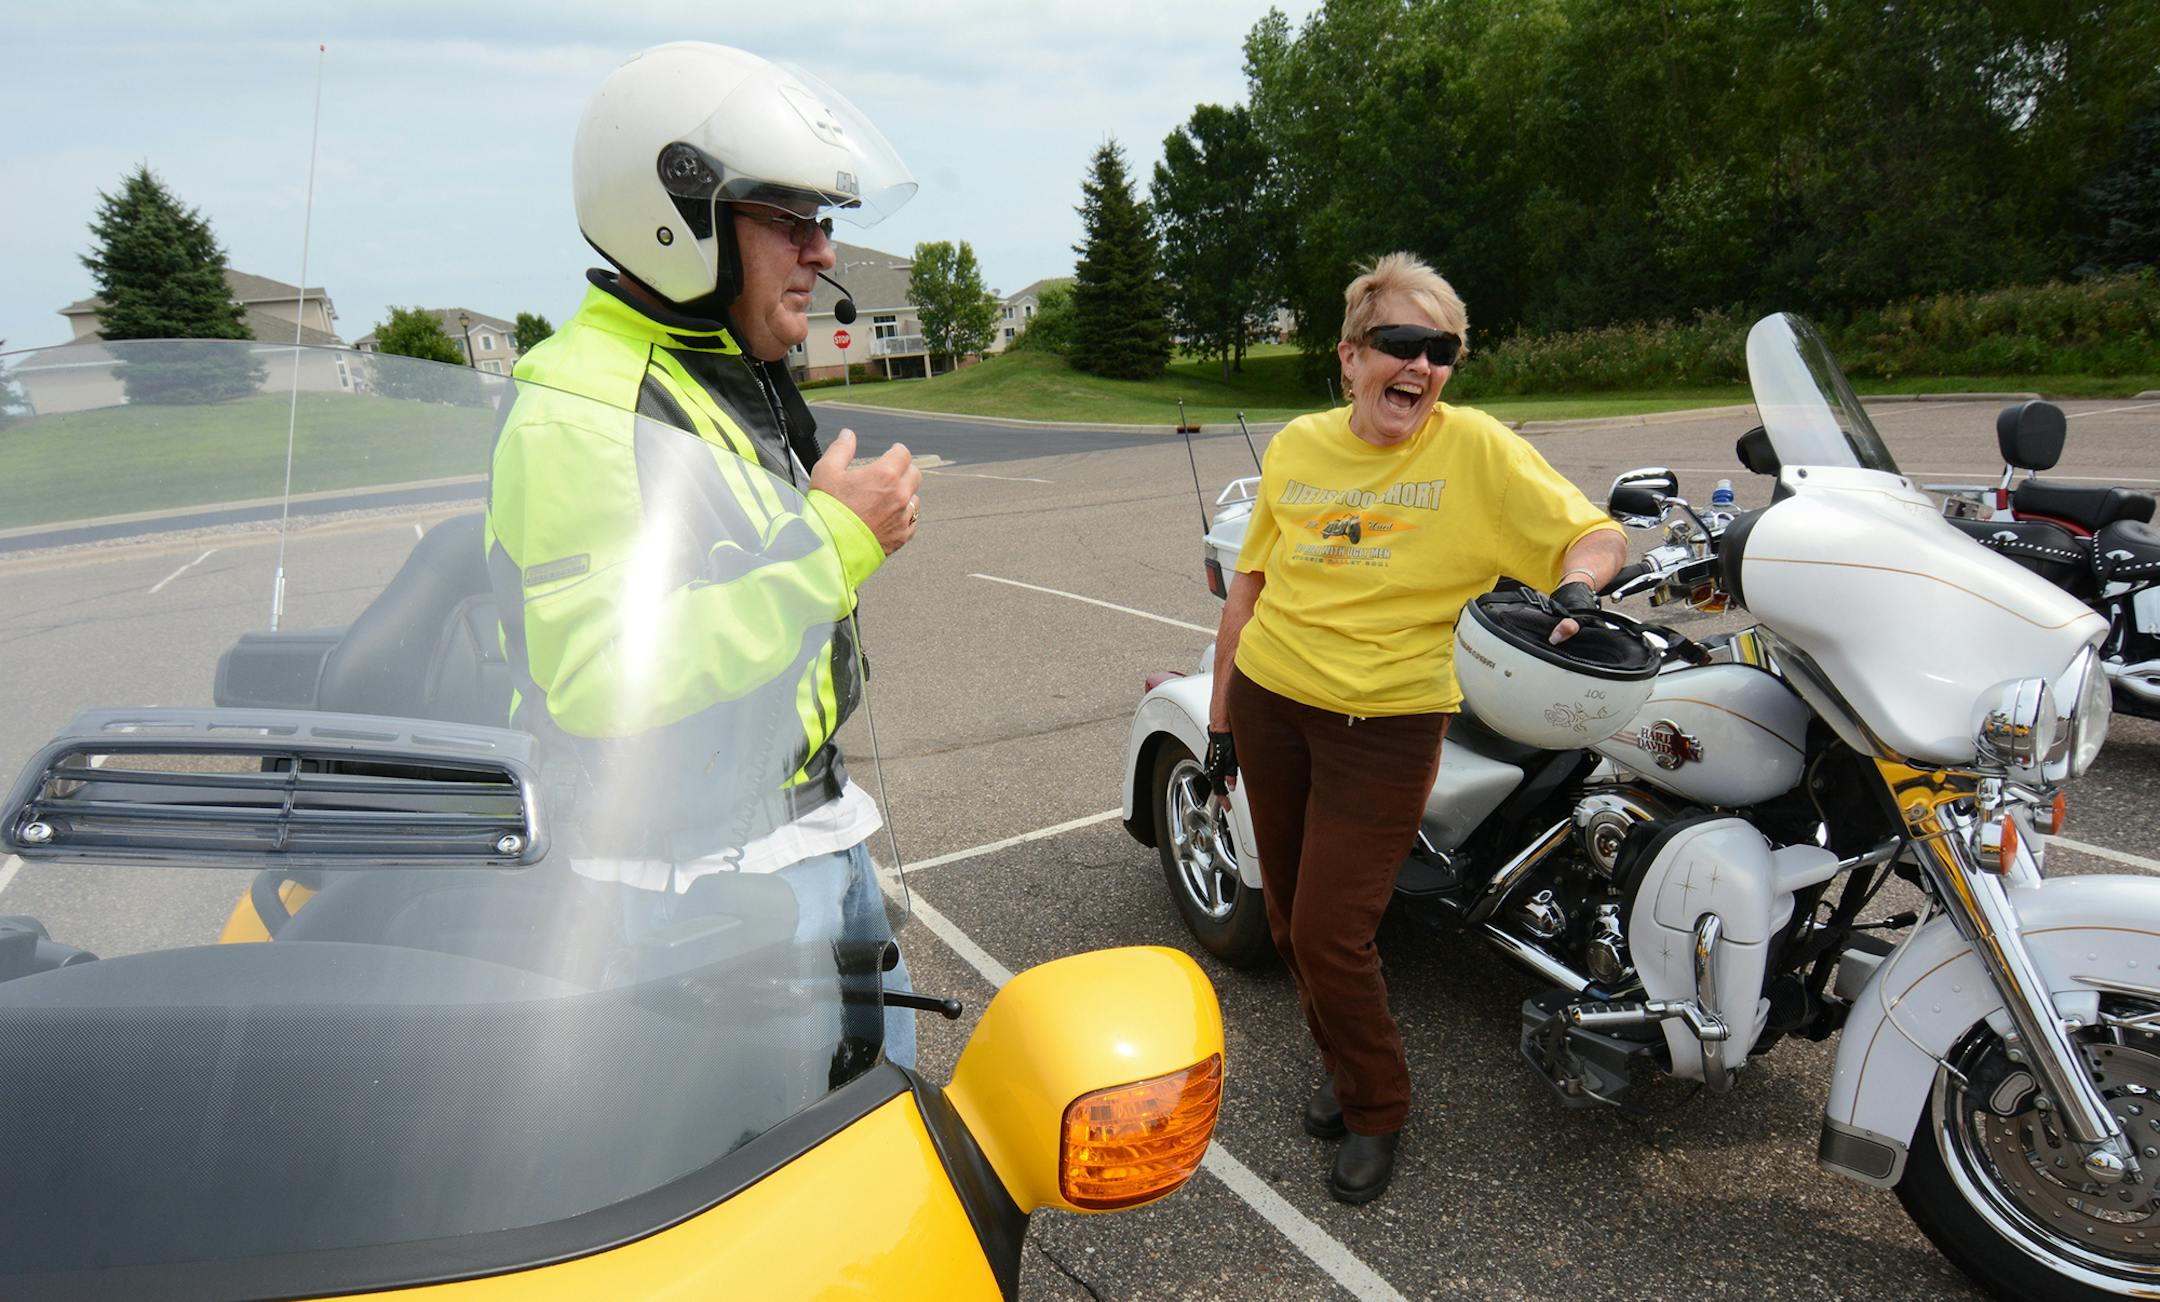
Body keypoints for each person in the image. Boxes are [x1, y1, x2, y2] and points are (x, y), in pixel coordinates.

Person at [483, 43, 923, 1066]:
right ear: (678, 215)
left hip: (810, 827)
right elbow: (596, 678)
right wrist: (834, 545)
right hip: (691, 892)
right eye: (792, 220)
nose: (822, 253)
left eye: (827, 223)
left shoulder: (721, 363)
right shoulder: (582, 406)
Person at [1203, 252, 1627, 1203]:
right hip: (1274, 700)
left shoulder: (1473, 447)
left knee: (1330, 929)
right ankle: (1345, 1066)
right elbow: (1252, 587)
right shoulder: (1299, 447)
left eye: (1443, 352)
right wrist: (1225, 721)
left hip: (1388, 720)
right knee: (1284, 912)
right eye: (1403, 344)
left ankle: (1378, 1106)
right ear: (1350, 356)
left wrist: (1578, 587)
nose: (1424, 368)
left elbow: (1591, 532)